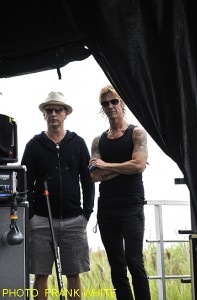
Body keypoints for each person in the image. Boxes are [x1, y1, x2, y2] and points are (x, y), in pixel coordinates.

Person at [21, 91, 94, 300]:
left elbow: (87, 180)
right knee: (40, 274)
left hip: (74, 220)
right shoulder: (34, 145)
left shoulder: (78, 143)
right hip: (42, 221)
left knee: (73, 274)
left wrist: (86, 214)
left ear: (65, 114)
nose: (53, 113)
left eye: (58, 110)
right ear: (44, 114)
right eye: (49, 110)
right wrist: (32, 216)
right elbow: (25, 181)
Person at [89, 85, 151, 300]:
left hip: (131, 206)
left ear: (122, 103)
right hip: (106, 210)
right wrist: (124, 166)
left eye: (114, 101)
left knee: (134, 261)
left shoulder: (137, 133)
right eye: (105, 103)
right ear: (102, 108)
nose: (110, 106)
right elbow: (94, 176)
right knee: (117, 265)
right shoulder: (98, 141)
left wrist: (106, 165)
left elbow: (138, 166)